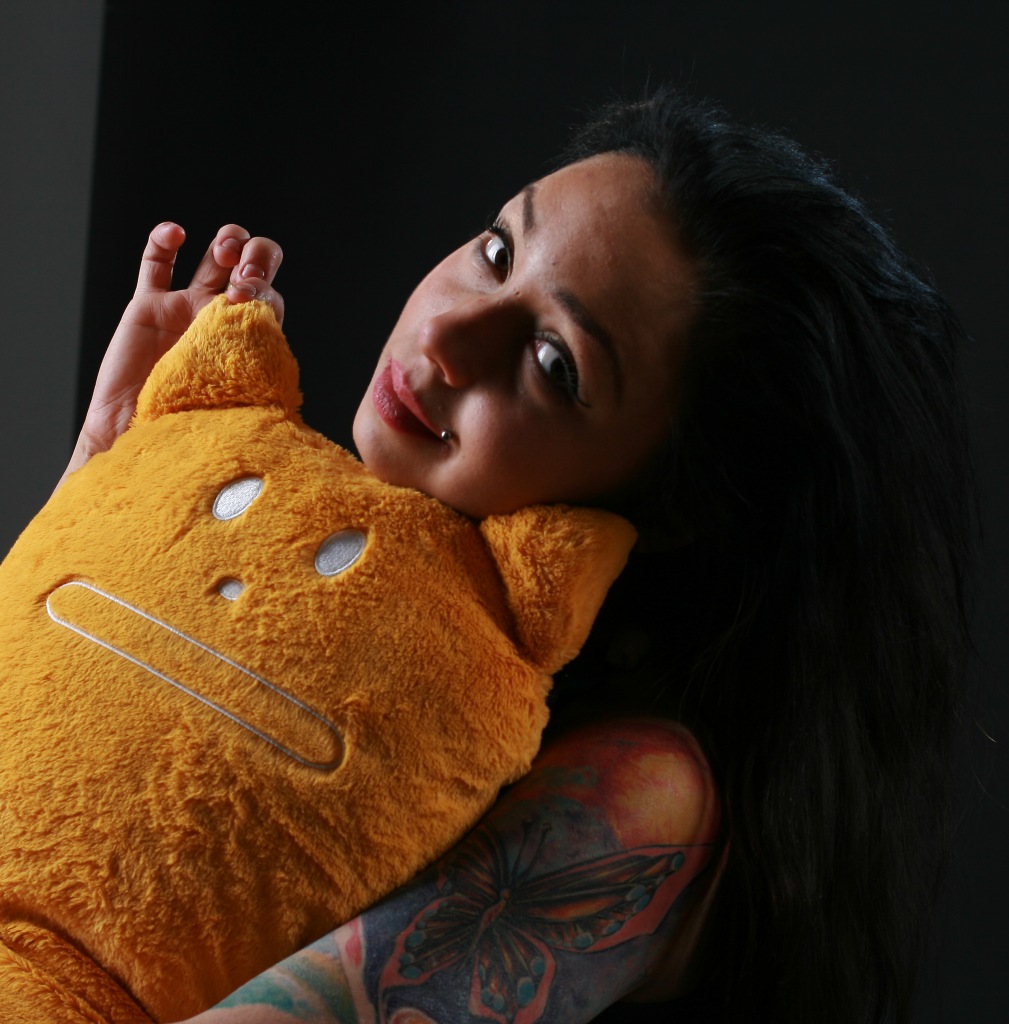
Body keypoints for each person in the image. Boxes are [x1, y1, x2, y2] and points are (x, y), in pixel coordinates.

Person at [63, 88, 975, 1024]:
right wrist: (98, 488)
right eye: (496, 253)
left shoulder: (642, 794)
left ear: (673, 507)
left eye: (552, 364)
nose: (448, 336)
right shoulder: (346, 596)